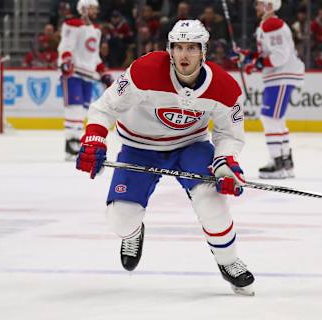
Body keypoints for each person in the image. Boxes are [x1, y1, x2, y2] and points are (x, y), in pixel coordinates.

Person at [76, 20, 255, 296]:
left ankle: (228, 261)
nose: (184, 55)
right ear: (170, 50)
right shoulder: (144, 71)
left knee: (211, 199)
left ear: (203, 52)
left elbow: (229, 134)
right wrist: (94, 138)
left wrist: (225, 164)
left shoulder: (225, 88)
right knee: (120, 220)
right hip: (138, 146)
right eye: (178, 47)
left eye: (192, 48)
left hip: (190, 146)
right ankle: (133, 233)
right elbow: (104, 108)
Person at [234, 0, 304, 179]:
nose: (256, 7)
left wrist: (256, 63)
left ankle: (278, 162)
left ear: (269, 6)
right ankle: (285, 163)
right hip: (277, 76)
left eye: (259, 4)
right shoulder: (266, 25)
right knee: (276, 119)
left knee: (269, 117)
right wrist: (248, 56)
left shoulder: (272, 24)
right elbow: (268, 55)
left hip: (281, 74)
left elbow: (280, 56)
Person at [57, 0, 113, 160]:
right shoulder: (72, 24)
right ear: (83, 9)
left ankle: (75, 141)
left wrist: (103, 72)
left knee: (83, 109)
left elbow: (94, 56)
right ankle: (71, 141)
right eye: (93, 8)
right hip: (73, 72)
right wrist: (66, 61)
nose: (96, 11)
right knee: (73, 107)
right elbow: (66, 46)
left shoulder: (95, 30)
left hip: (88, 74)